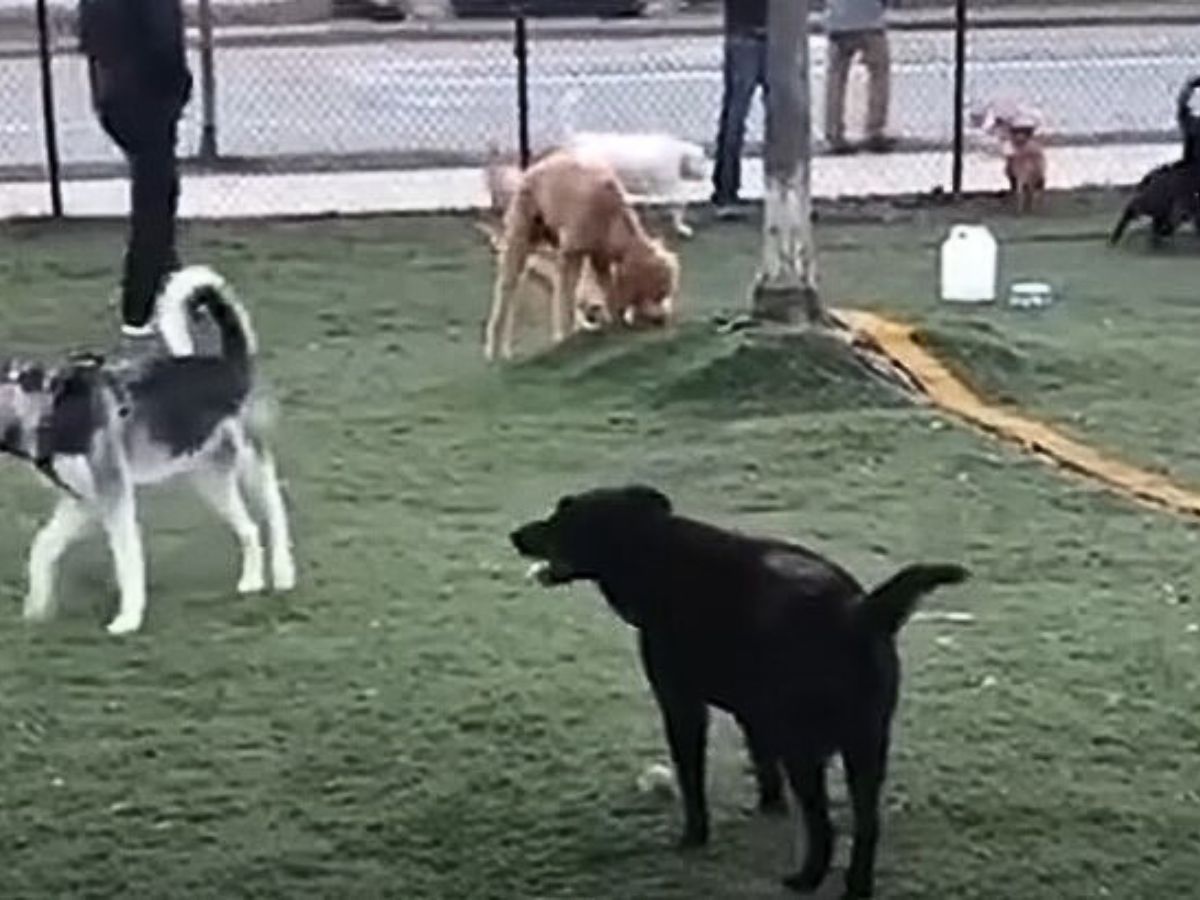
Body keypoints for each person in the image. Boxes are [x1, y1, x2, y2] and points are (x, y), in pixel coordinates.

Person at [78, 0, 193, 341]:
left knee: (155, 191)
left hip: (113, 94)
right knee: (156, 199)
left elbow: (90, 39)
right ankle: (138, 308)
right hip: (147, 95)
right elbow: (165, 41)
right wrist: (178, 87)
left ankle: (167, 280)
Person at [711, 0, 767, 218]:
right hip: (746, 35)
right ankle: (726, 190)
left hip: (759, 35)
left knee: (783, 120)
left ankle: (785, 189)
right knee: (735, 117)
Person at [824, 0, 894, 154]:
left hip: (838, 19)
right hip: (871, 18)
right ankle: (874, 130)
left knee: (836, 79)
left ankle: (834, 132)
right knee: (879, 74)